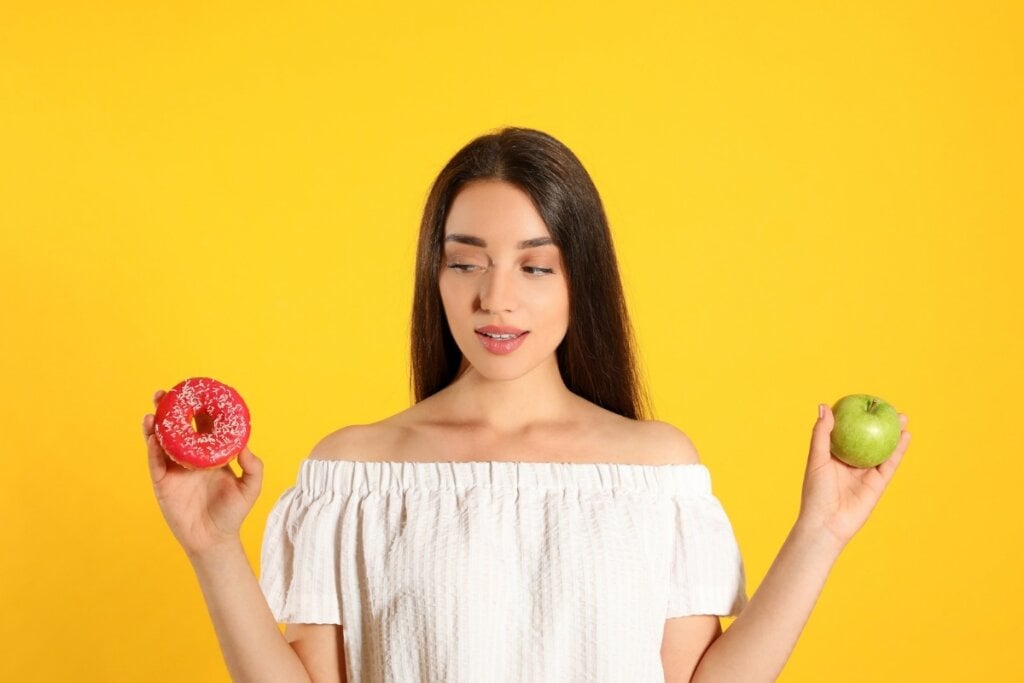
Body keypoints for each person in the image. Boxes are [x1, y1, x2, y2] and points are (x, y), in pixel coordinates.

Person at [142, 126, 911, 683]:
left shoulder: (653, 471)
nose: (495, 298)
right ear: (434, 277)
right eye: (465, 261)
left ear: (582, 277)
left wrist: (820, 530)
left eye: (535, 267)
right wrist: (213, 548)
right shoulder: (357, 471)